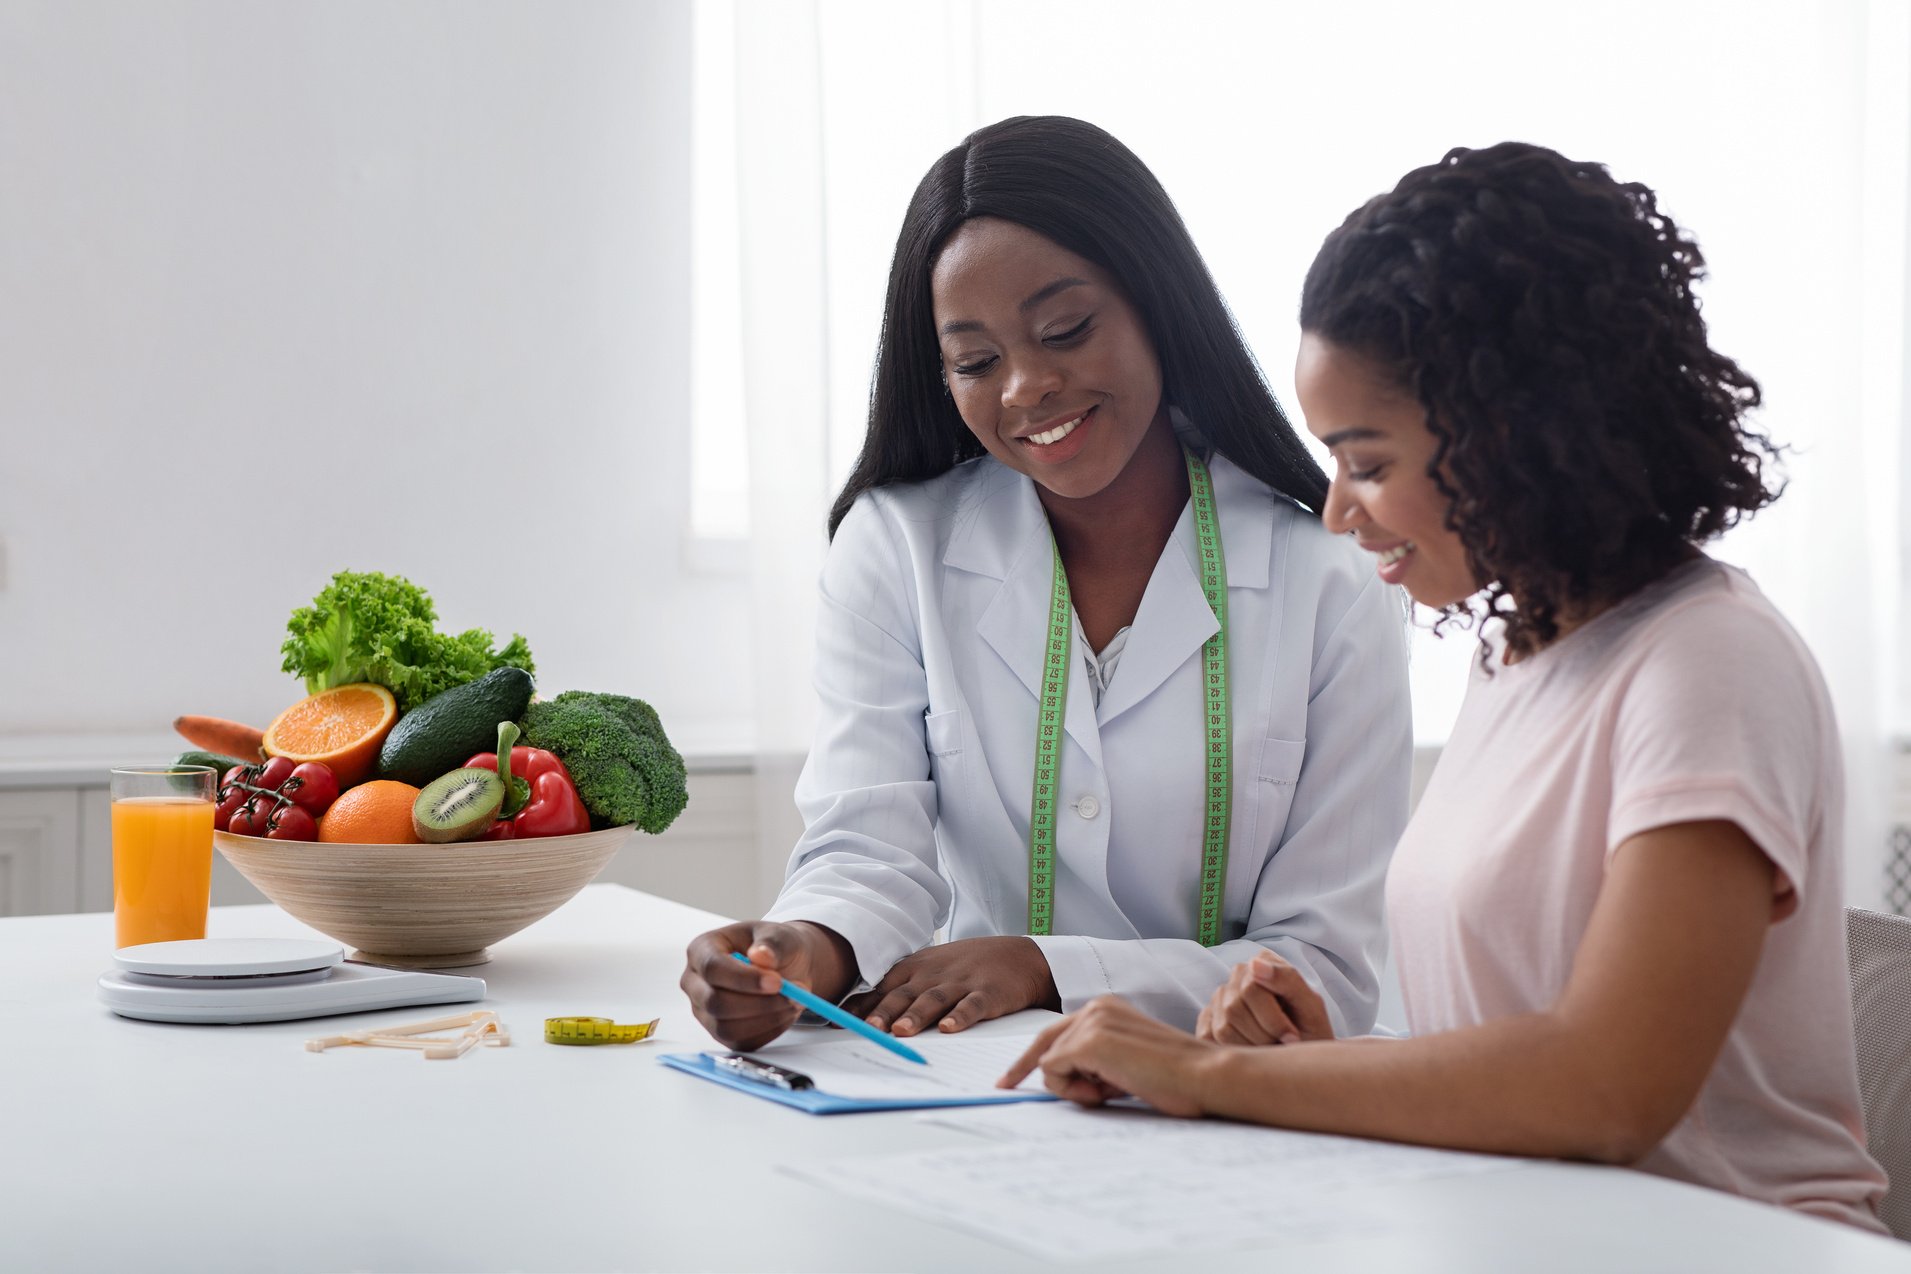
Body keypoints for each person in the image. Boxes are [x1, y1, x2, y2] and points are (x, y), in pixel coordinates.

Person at [1001, 141, 1890, 1233]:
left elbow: (1606, 1086)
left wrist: (1203, 1072)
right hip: (1533, 1232)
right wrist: (1315, 1063)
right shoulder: (1515, 653)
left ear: (1518, 436)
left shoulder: (1711, 662)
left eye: (1367, 462)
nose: (1337, 511)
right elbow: (1519, 1046)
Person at [680, 116, 1411, 1051]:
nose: (1025, 387)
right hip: (976, 1084)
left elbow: (1326, 972)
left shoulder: (1328, 573)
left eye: (1065, 329)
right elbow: (868, 849)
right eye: (976, 362)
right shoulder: (894, 544)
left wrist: (1041, 966)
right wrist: (801, 949)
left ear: (1155, 303)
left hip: (1232, 1102)